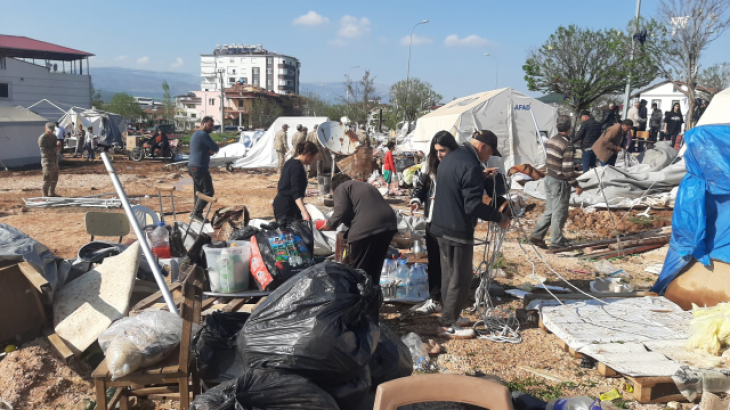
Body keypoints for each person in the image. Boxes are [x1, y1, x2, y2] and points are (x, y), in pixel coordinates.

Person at [429, 130, 511, 339]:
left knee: (449, 275)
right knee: (460, 277)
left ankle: (450, 316)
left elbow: (457, 184)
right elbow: (473, 205)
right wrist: (499, 217)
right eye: (490, 153)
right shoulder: (471, 165)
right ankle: (448, 325)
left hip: (440, 226)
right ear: (483, 147)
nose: (488, 158)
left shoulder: (452, 158)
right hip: (456, 229)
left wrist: (480, 177)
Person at [408, 131, 460, 314]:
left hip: (451, 222)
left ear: (452, 149)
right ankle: (435, 297)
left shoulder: (459, 165)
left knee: (451, 263)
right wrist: (416, 201)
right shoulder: (429, 165)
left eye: (443, 150)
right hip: (432, 220)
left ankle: (451, 301)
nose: (439, 154)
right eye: (436, 150)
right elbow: (420, 188)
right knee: (435, 260)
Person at [321, 173, 397, 284]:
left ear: (334, 188)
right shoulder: (364, 186)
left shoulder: (341, 188)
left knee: (357, 270)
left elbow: (341, 210)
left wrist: (329, 224)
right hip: (388, 225)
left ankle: (357, 297)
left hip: (366, 228)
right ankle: (372, 296)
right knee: (375, 267)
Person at [529, 121, 583, 249]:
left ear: (557, 127)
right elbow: (568, 169)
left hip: (549, 178)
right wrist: (576, 185)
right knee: (559, 212)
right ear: (569, 128)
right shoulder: (567, 144)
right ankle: (557, 241)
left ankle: (536, 235)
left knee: (552, 210)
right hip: (560, 181)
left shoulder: (552, 140)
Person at [273, 141, 318, 224]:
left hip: (285, 204)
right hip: (286, 207)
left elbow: (286, 184)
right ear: (309, 155)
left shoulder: (290, 162)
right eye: (314, 157)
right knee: (291, 235)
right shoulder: (297, 167)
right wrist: (305, 212)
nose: (314, 160)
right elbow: (295, 192)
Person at [188, 116, 219, 221]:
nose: (211, 127)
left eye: (212, 126)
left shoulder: (196, 134)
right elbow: (215, 148)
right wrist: (213, 149)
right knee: (208, 192)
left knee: (199, 192)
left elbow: (204, 151)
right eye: (210, 125)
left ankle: (197, 214)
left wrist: (209, 150)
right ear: (203, 124)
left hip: (193, 166)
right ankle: (196, 213)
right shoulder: (203, 134)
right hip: (199, 167)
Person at [39, 123, 60, 197]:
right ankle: (44, 195)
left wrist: (58, 146)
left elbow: (55, 147)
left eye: (52, 131)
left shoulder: (54, 137)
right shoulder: (42, 138)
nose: (51, 133)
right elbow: (43, 150)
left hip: (54, 160)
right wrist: (55, 149)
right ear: (45, 129)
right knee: (47, 178)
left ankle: (52, 192)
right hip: (47, 161)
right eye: (49, 131)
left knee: (55, 177)